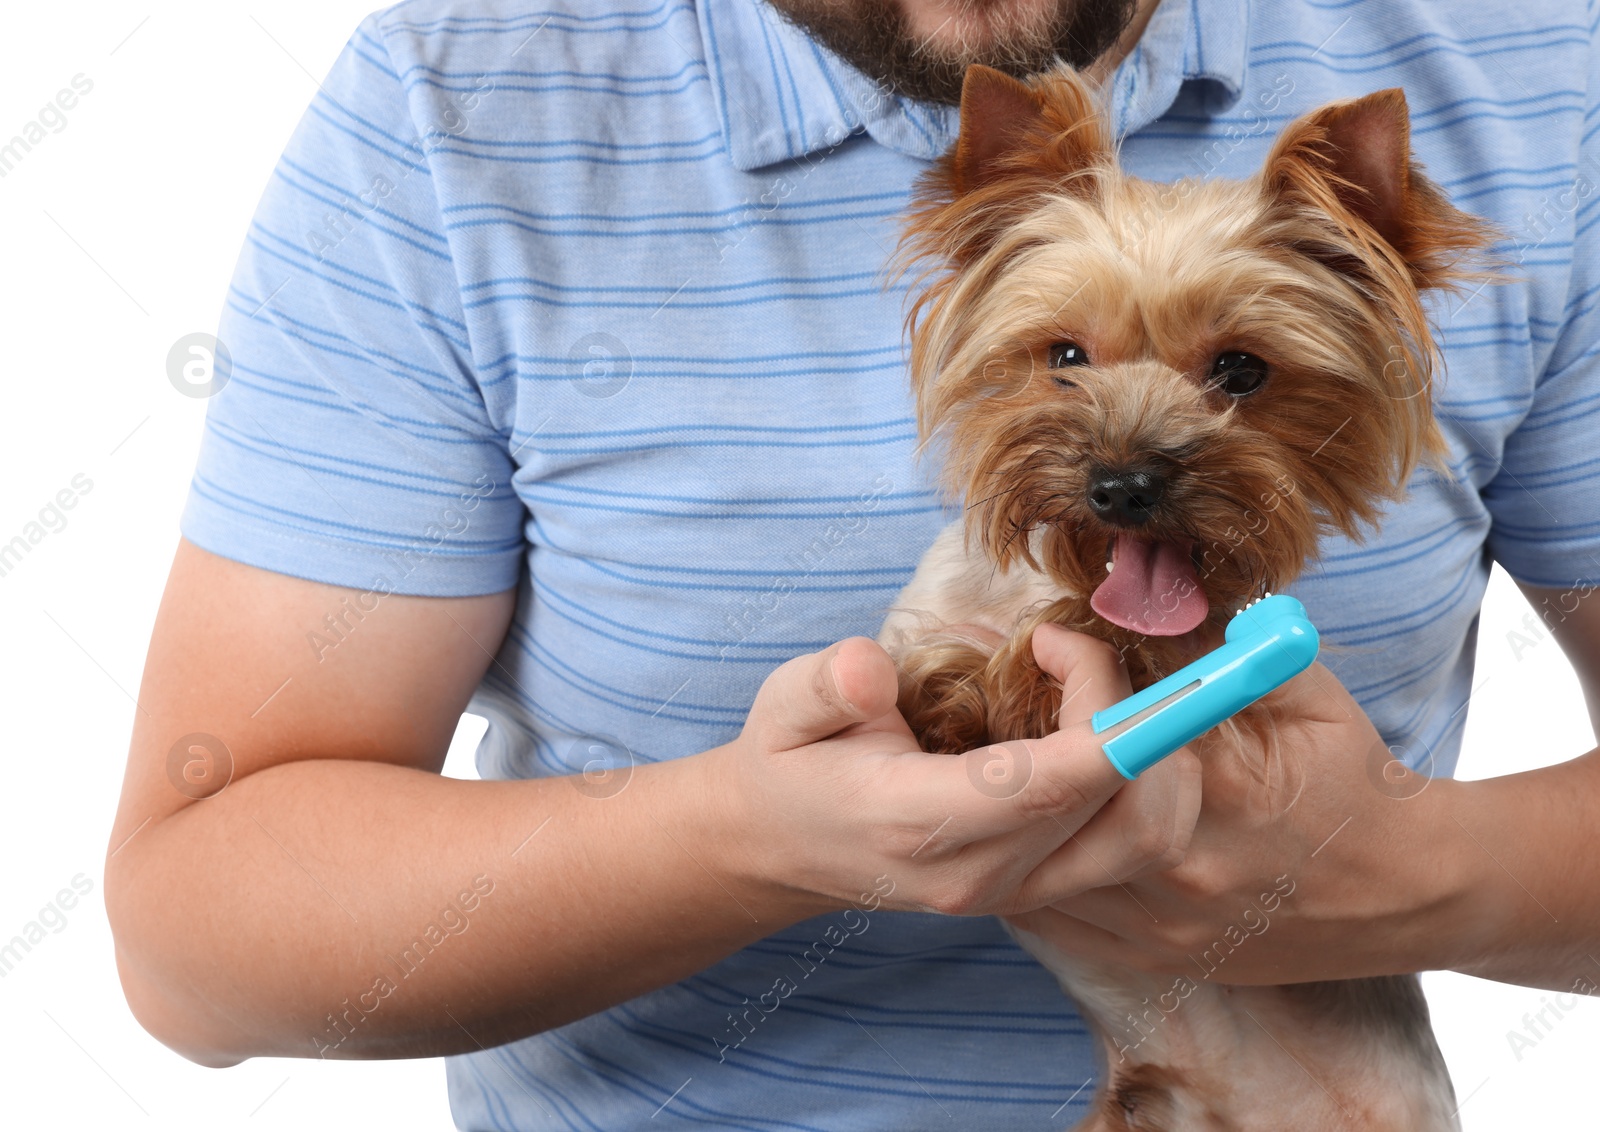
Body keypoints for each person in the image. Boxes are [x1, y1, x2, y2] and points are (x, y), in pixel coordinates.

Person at [106, 0, 1600, 1127]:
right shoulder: (458, 96)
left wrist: (1412, 867)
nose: (1135, 447)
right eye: (1065, 360)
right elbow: (193, 947)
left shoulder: (1534, 66)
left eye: (1239, 377)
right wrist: (746, 842)